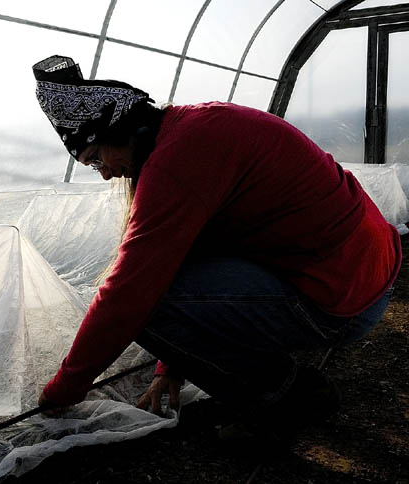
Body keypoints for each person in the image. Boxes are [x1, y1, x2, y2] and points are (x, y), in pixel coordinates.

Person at [31, 55, 401, 448]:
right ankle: (281, 381)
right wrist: (172, 364)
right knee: (163, 288)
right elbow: (193, 250)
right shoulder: (194, 126)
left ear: (113, 131)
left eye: (95, 159)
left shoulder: (174, 166)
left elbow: (128, 294)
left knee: (146, 309)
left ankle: (287, 397)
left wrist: (65, 387)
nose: (104, 173)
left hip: (342, 298)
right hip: (368, 267)